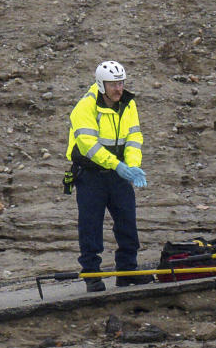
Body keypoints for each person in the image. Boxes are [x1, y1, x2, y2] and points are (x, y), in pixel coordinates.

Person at [65, 61, 152, 293]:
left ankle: (127, 271)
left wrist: (132, 167)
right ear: (101, 84)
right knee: (90, 225)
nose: (118, 89)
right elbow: (88, 146)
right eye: (113, 84)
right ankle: (92, 274)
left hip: (118, 173)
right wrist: (118, 165)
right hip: (91, 175)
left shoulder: (128, 105)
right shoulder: (85, 107)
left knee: (127, 221)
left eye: (121, 83)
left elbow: (134, 138)